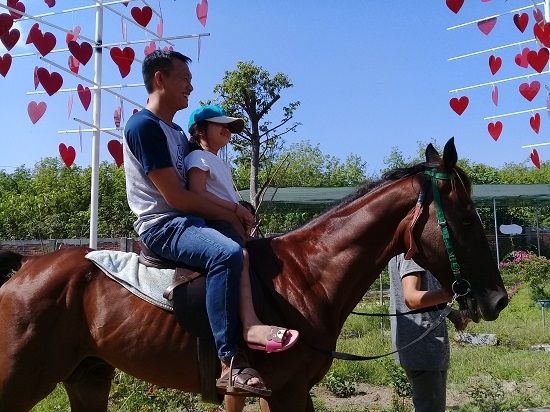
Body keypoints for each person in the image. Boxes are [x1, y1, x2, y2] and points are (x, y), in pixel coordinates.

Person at [123, 50, 268, 397]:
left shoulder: (174, 131)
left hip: (190, 218)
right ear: (160, 79)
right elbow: (176, 198)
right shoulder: (143, 127)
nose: (191, 86)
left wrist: (237, 210)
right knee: (226, 254)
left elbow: (201, 189)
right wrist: (231, 213)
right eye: (184, 79)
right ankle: (230, 362)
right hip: (164, 224)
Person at [185, 104, 299, 353]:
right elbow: (197, 193)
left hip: (229, 221)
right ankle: (249, 324)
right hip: (214, 222)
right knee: (240, 257)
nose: (227, 130)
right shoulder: (197, 158)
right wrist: (235, 210)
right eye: (220, 125)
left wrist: (242, 210)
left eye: (229, 127)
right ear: (200, 131)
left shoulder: (218, 162)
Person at [388, 253, 470, 412]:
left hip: (424, 343)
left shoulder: (413, 250)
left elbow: (425, 300)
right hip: (423, 346)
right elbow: (412, 298)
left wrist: (451, 314)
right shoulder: (411, 253)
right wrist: (452, 292)